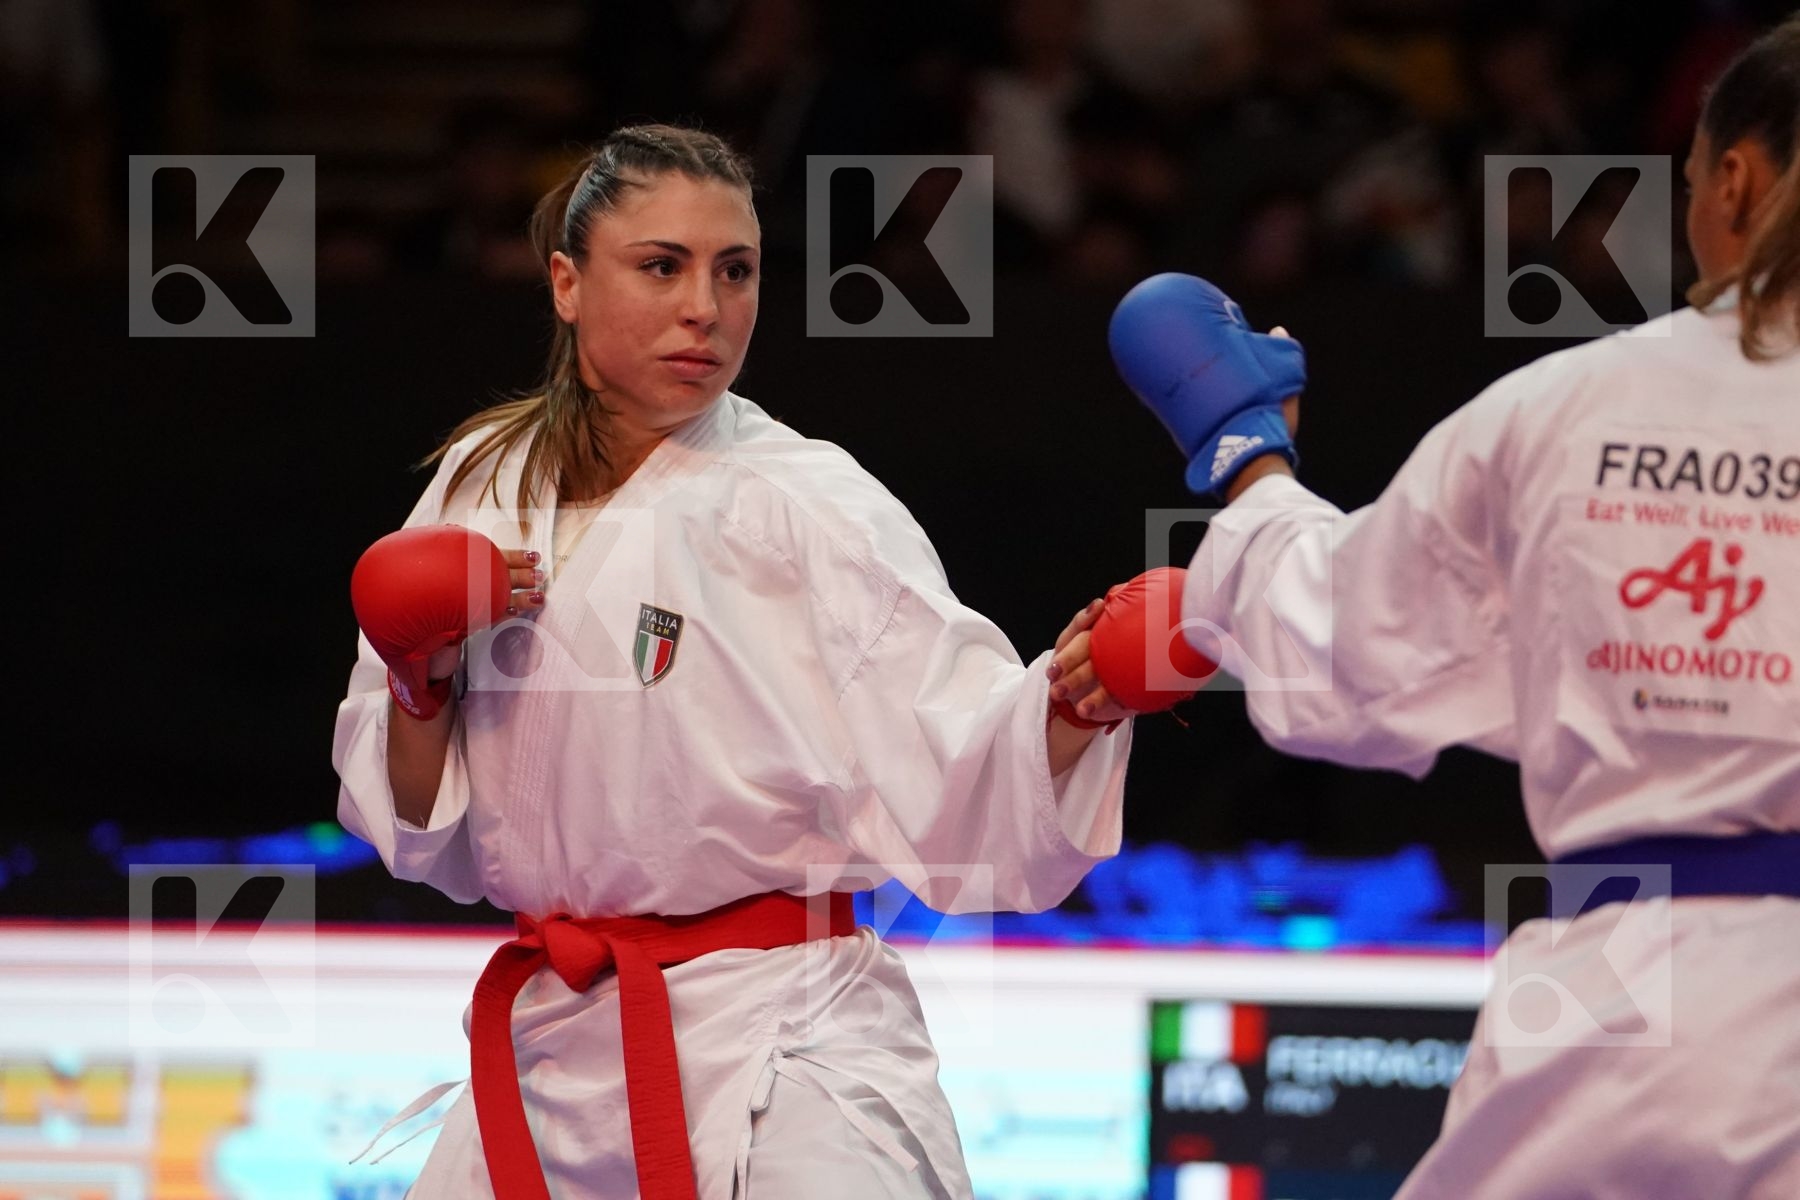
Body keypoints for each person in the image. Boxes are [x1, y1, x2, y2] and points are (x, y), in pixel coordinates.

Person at [331, 124, 1140, 1198]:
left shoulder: (808, 501)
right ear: (568, 284)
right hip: (555, 1040)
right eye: (662, 266)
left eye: (737, 270)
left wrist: (1073, 701)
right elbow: (426, 839)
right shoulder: (487, 483)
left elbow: (962, 764)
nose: (705, 308)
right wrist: (416, 682)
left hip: (785, 1040)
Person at [1110, 16, 1799, 1198]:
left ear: (1735, 179)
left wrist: (1249, 457)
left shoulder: (1572, 407)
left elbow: (1346, 660)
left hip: (1639, 1014)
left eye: (1688, 187)